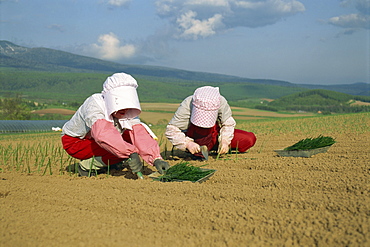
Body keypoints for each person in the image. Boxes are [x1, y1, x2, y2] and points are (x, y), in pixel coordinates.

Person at [61, 72, 170, 177]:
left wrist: (156, 159)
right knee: (121, 149)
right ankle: (86, 166)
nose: (125, 109)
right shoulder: (95, 104)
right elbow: (103, 134)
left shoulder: (128, 111)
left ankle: (111, 161)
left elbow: (139, 134)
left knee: (131, 141)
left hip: (97, 140)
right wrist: (130, 153)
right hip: (76, 142)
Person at [165, 86, 256, 159]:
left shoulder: (221, 101)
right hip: (196, 138)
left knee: (249, 139)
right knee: (202, 134)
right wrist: (187, 143)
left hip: (215, 135)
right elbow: (171, 130)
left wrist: (224, 141)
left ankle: (217, 148)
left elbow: (228, 123)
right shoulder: (188, 104)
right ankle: (200, 151)